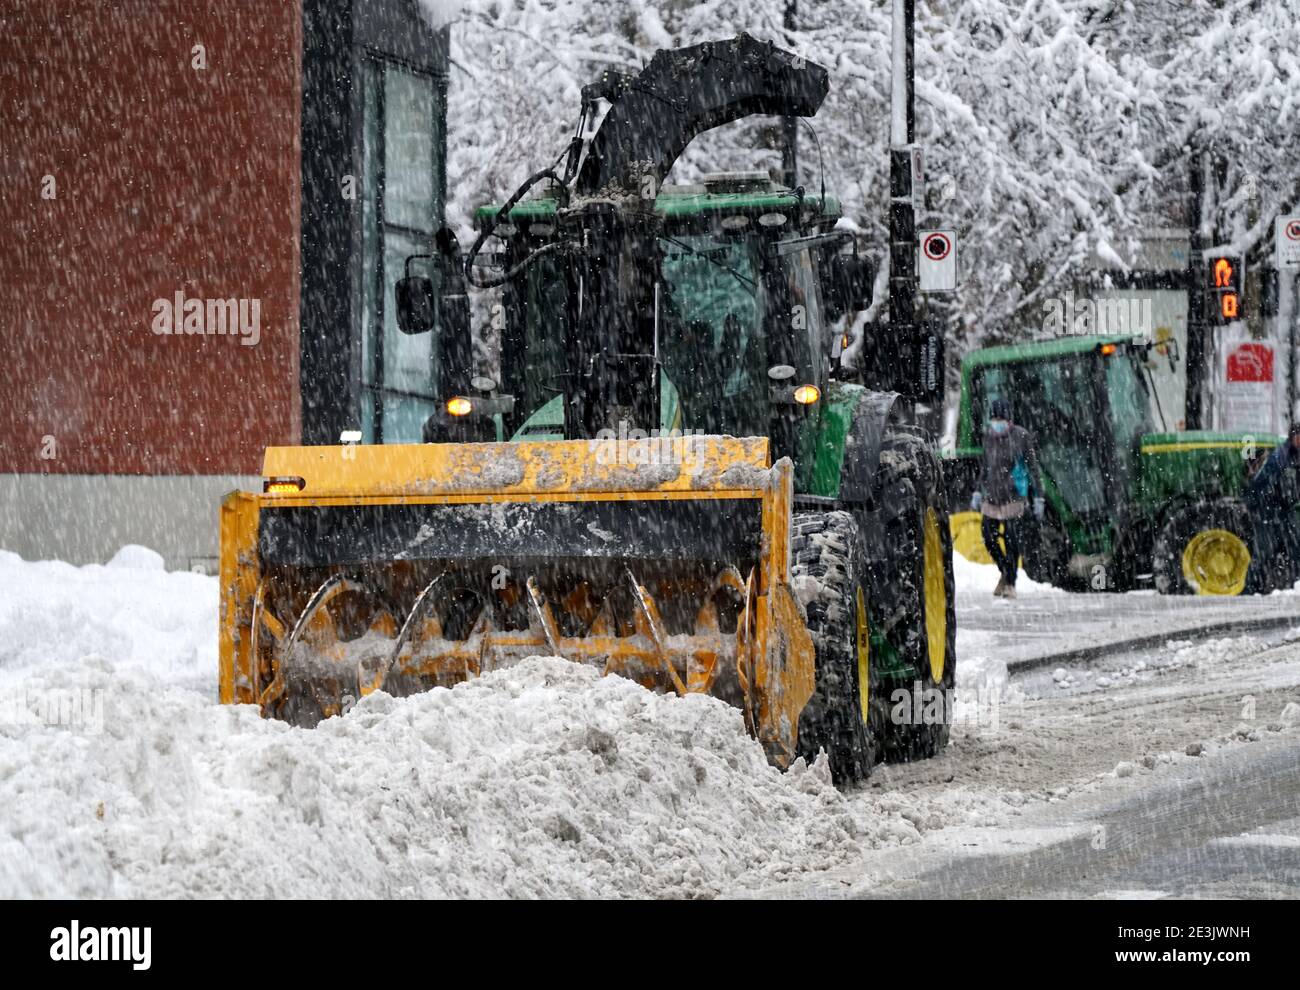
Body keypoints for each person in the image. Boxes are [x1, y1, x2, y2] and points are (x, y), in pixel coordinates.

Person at [970, 397, 1045, 598]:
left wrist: (1039, 497)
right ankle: (1004, 570)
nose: (997, 423)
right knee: (988, 537)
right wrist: (978, 491)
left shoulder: (1021, 436)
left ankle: (1010, 583)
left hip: (1014, 497)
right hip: (992, 496)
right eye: (994, 419)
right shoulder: (988, 436)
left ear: (1009, 419)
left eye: (1001, 418)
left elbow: (1033, 469)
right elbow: (985, 466)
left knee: (1012, 540)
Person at [1243, 424, 1300, 594]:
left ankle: (1296, 587)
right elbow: (1258, 483)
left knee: (1296, 548)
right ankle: (1248, 592)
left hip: (1285, 511)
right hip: (1267, 512)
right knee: (1263, 554)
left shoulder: (1295, 456)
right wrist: (1256, 507)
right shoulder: (1280, 457)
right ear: (1293, 437)